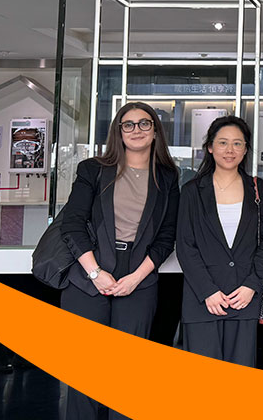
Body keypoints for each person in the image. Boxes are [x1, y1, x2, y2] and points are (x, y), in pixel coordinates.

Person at [58, 102, 179, 420]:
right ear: (118, 131)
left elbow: (167, 236)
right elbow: (72, 223)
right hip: (89, 273)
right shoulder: (93, 170)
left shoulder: (167, 176)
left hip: (139, 276)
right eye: (128, 124)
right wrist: (95, 272)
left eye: (144, 123)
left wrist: (137, 277)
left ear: (155, 131)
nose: (136, 130)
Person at [176, 116, 263, 366]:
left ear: (246, 149)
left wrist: (251, 285)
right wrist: (208, 291)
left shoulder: (258, 189)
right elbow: (185, 246)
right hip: (202, 301)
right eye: (223, 143)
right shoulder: (192, 191)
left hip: (244, 298)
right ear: (210, 147)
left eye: (237, 143)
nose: (230, 150)